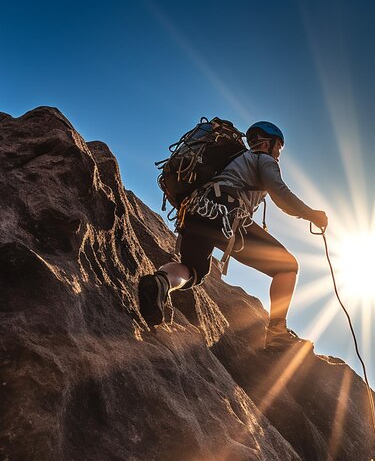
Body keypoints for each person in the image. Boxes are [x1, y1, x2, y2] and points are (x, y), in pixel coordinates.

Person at [138, 121, 328, 351]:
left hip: (195, 210)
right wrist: (311, 214)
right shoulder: (263, 159)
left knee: (193, 269)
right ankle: (277, 333)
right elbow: (281, 194)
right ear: (268, 143)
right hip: (225, 212)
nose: (279, 152)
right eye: (279, 146)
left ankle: (160, 282)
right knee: (287, 266)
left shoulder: (234, 161)